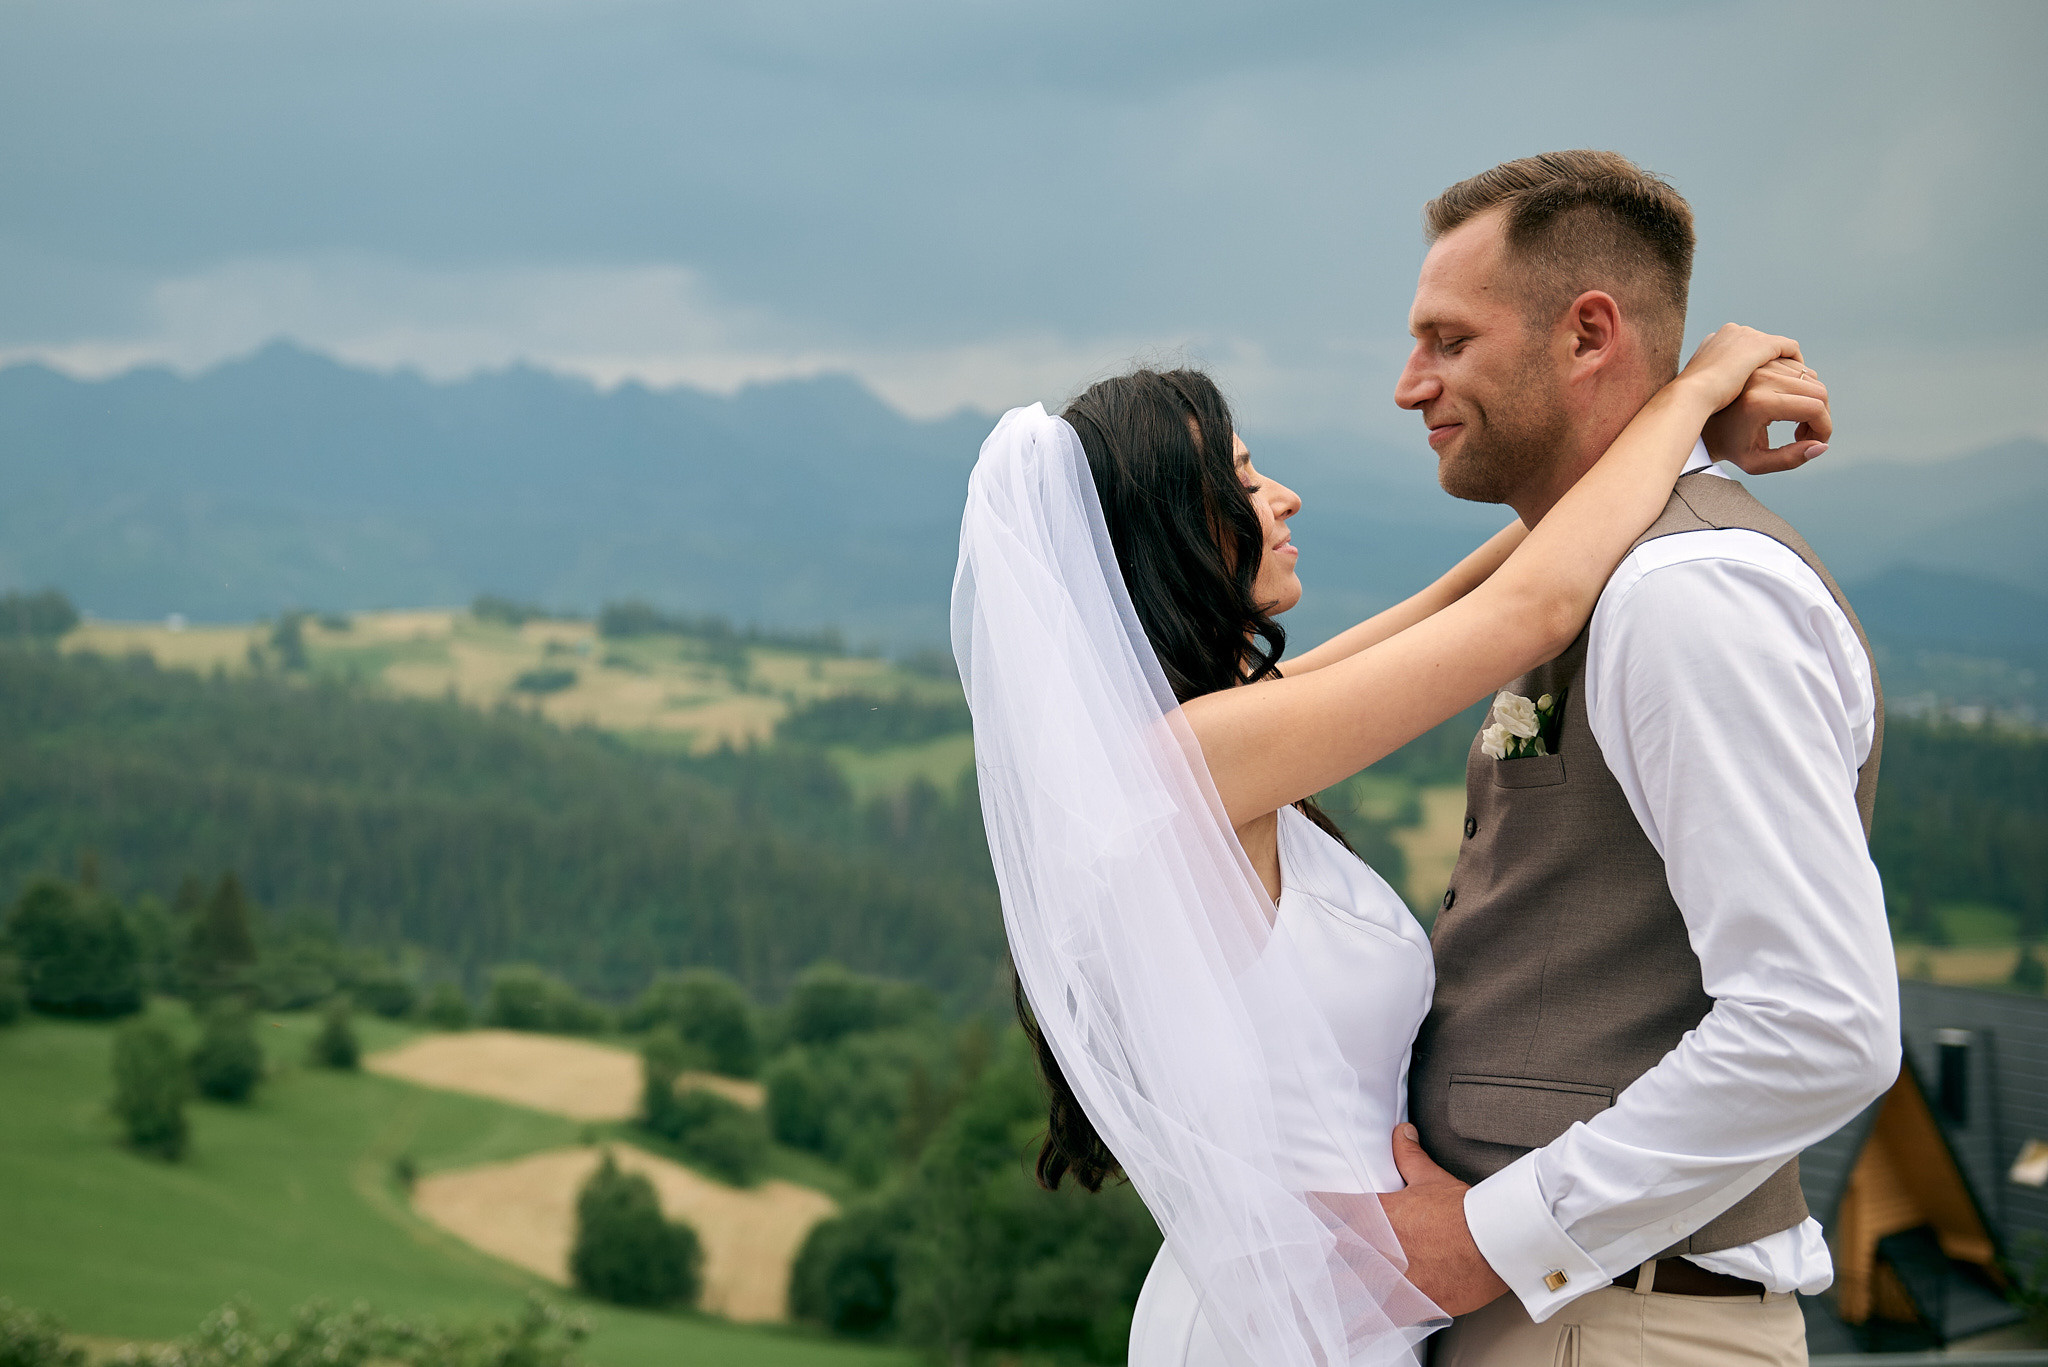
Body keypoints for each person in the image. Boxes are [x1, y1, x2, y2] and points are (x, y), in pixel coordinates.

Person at [953, 316, 1830, 1360]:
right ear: (1170, 534)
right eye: (1240, 478)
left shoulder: (1210, 743)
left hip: (1332, 1303)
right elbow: (1529, 609)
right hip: (1274, 1326)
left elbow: (1455, 598)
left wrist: (1669, 442)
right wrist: (1692, 390)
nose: (1281, 497)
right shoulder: (1195, 759)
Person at [1383, 151, 1900, 1367]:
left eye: (1447, 340)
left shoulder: (1687, 596)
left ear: (1586, 334)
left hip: (1619, 1327)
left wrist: (1489, 1238)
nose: (1410, 385)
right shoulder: (1591, 574)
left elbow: (1820, 1022)